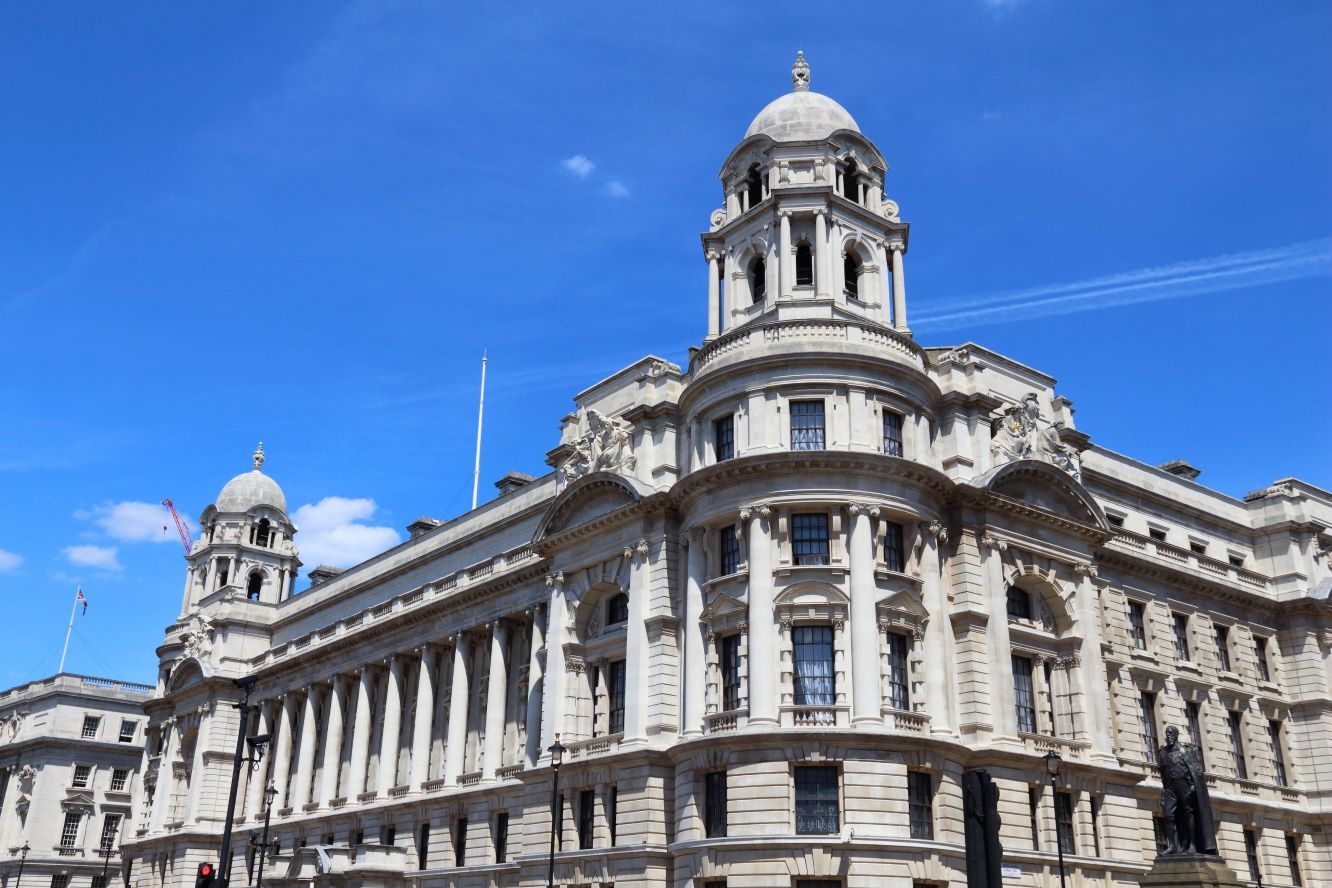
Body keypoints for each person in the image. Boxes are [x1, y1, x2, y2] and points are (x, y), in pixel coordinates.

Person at [1159, 725, 1218, 855]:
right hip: (1170, 788)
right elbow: (1163, 772)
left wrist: (1192, 786)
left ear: (1177, 735)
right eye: (1167, 733)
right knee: (1168, 815)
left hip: (1184, 785)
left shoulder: (1187, 751)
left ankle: (1192, 845)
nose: (1169, 735)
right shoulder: (1163, 753)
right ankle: (1172, 846)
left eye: (1171, 733)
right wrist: (1164, 791)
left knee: (1188, 813)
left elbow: (1196, 770)